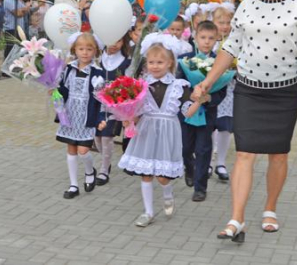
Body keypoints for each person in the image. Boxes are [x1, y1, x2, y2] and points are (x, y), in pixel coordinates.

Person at [193, 0, 297, 243]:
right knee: (245, 152)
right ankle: (237, 218)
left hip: (285, 90)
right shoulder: (247, 5)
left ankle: (270, 208)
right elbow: (230, 47)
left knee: (278, 152)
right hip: (249, 89)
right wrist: (207, 83)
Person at [118, 33, 204, 227]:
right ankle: (148, 212)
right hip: (146, 131)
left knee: (163, 176)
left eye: (160, 62)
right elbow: (136, 110)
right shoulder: (140, 86)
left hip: (167, 133)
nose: (155, 66)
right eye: (151, 62)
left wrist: (198, 101)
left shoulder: (179, 86)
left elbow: (187, 112)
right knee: (146, 173)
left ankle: (168, 192)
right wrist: (127, 118)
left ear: (170, 62)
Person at [177, 21, 226, 202]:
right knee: (186, 148)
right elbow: (179, 84)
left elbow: (222, 91)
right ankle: (189, 168)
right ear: (195, 38)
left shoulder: (220, 62)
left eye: (211, 38)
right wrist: (191, 96)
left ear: (217, 40)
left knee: (204, 150)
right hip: (187, 113)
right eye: (203, 37)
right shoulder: (185, 59)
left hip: (207, 113)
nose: (206, 42)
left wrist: (208, 98)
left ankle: (200, 188)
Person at [56, 32, 106, 199]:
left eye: (89, 49)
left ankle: (89, 170)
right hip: (70, 114)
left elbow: (101, 99)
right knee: (71, 149)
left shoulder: (97, 72)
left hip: (86, 117)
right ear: (74, 50)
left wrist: (101, 119)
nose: (85, 52)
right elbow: (63, 90)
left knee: (83, 151)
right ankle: (73, 185)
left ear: (95, 51)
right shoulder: (68, 69)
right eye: (81, 49)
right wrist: (53, 90)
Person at [94, 33, 132, 186]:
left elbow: (130, 84)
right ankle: (106, 160)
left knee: (107, 137)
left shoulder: (127, 62)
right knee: (97, 138)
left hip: (116, 108)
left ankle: (104, 170)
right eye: (111, 39)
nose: (114, 44)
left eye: (118, 40)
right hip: (97, 105)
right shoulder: (96, 59)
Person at [211, 5, 236, 183]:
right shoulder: (208, 41)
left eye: (228, 23)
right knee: (211, 126)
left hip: (229, 90)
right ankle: (208, 163)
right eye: (221, 22)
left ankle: (221, 162)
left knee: (225, 126)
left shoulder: (234, 41)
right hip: (212, 89)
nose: (225, 26)